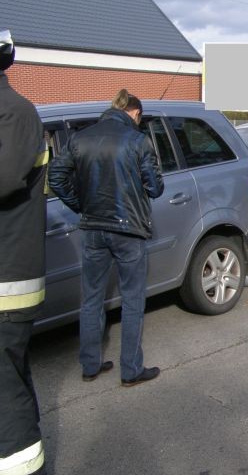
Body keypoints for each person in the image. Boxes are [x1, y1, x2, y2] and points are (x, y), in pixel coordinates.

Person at [48, 88, 164, 387]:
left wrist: (80, 205)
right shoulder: (138, 141)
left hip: (92, 229)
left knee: (91, 299)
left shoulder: (80, 138)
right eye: (139, 119)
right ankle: (131, 370)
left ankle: (90, 365)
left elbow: (56, 177)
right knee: (133, 299)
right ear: (134, 113)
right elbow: (155, 188)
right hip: (129, 232)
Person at [0, 29, 47, 475]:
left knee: (5, 394)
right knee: (12, 380)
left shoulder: (13, 113)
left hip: (7, 285)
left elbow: (4, 180)